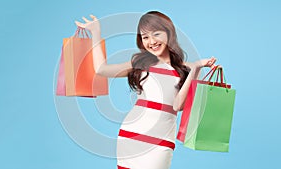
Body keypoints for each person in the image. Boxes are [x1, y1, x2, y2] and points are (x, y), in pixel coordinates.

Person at [75, 11, 216, 169]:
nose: (152, 41)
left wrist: (196, 68)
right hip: (131, 136)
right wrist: (96, 32)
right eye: (145, 37)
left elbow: (178, 106)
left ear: (169, 34)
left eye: (156, 34)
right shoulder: (140, 64)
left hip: (161, 140)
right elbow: (101, 69)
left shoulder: (187, 68)